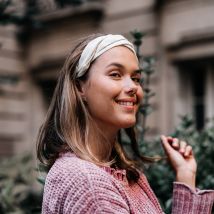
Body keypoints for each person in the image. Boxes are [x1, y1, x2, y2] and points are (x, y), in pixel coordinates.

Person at [37, 34, 214, 214]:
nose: (132, 87)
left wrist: (185, 175)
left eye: (136, 78)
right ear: (79, 87)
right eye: (115, 74)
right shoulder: (90, 185)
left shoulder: (116, 174)